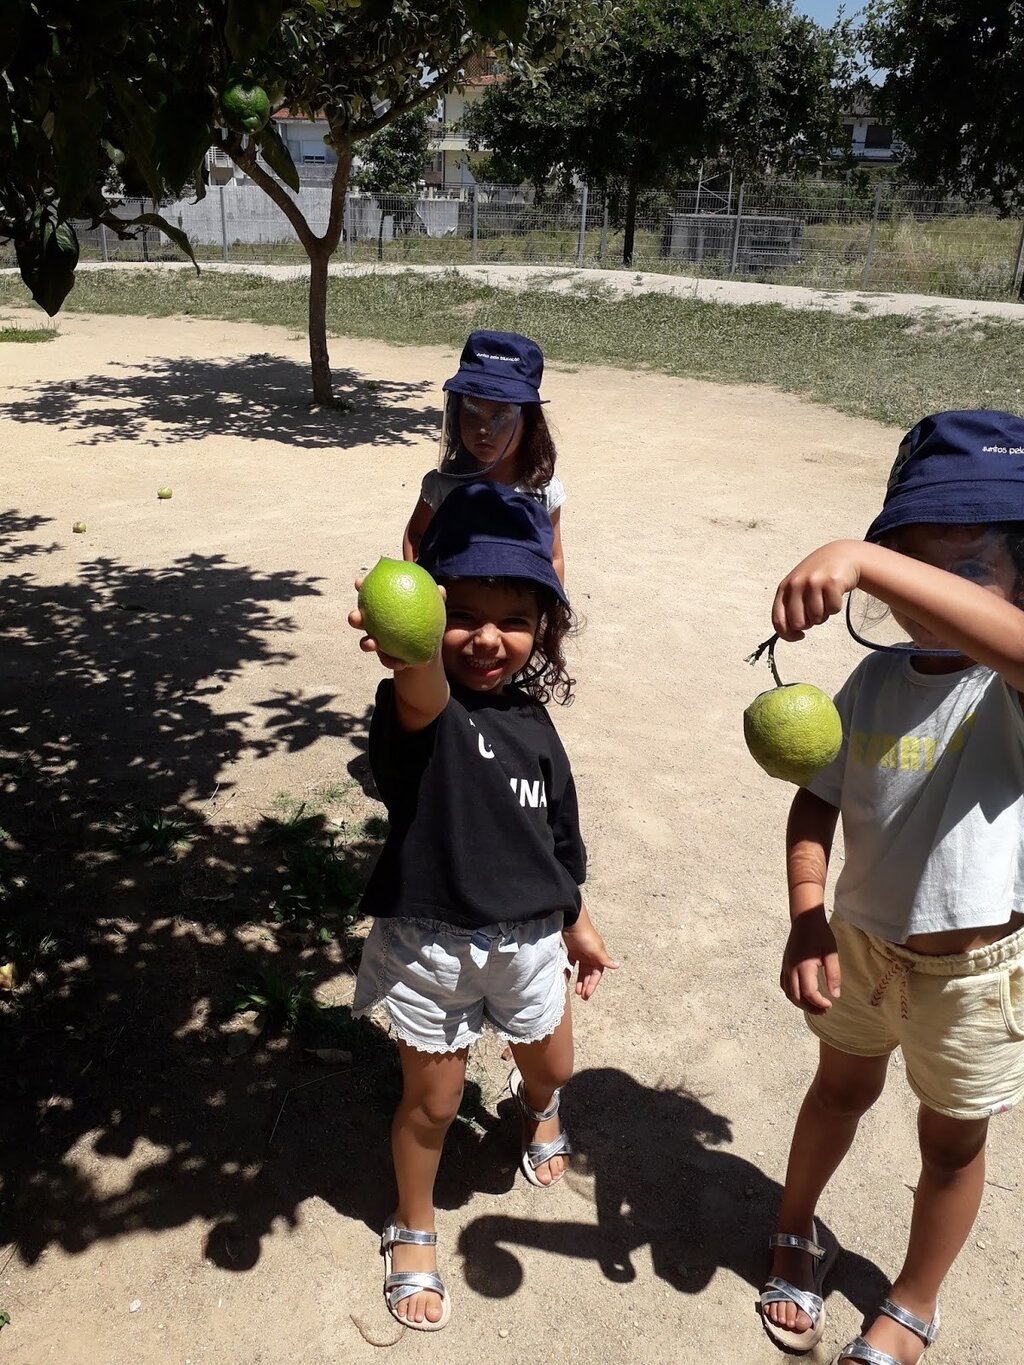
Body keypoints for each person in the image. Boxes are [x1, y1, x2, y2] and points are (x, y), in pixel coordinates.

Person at [758, 409, 1024, 1365]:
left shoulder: (1008, 689)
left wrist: (863, 560)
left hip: (974, 979)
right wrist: (804, 918)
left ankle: (912, 1299)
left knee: (952, 1146)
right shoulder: (873, 684)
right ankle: (795, 1227)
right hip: (862, 945)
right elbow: (812, 808)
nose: (930, 601)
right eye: (912, 563)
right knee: (836, 1094)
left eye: (964, 570)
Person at [350, 480, 617, 1332]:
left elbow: (557, 834)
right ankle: (414, 1224)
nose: (486, 637)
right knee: (430, 1105)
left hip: (533, 939)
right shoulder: (421, 711)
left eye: (513, 617)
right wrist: (412, 639)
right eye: (460, 611)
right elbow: (424, 683)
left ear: (543, 627)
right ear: (430, 614)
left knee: (556, 1070)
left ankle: (538, 1110)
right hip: (431, 945)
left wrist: (576, 918)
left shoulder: (535, 721)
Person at [402, 330, 566, 583]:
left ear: (529, 423)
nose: (483, 429)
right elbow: (416, 535)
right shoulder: (443, 485)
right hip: (456, 612)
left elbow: (553, 557)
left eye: (500, 416)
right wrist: (422, 590)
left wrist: (549, 614)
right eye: (471, 412)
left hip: (514, 616)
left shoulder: (543, 490)